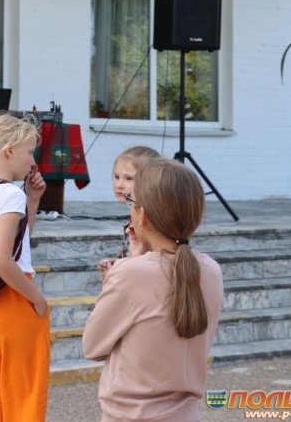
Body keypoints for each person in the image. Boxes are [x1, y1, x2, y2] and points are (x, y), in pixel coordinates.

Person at [82, 159, 225, 422]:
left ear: (142, 215)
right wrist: (135, 261)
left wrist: (125, 269)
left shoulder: (130, 274)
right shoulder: (211, 271)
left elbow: (92, 347)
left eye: (131, 201)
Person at [0, 113, 50, 422]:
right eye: (29, 152)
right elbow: (3, 260)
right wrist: (38, 299)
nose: (32, 161)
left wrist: (33, 201)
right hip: (16, 298)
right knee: (23, 394)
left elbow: (18, 242)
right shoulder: (11, 194)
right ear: (9, 150)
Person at [99, 145, 161, 276]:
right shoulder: (135, 215)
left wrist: (119, 273)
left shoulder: (147, 220)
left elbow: (147, 265)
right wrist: (118, 265)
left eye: (128, 178)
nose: (119, 185)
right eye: (116, 177)